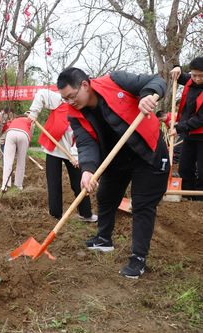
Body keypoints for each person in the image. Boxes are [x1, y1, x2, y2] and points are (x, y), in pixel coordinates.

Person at [57, 67, 169, 279]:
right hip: (115, 158)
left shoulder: (115, 81)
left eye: (72, 96)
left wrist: (147, 95)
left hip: (146, 152)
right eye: (65, 99)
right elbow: (85, 141)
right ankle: (103, 239)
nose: (70, 102)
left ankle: (138, 257)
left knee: (142, 204)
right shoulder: (75, 113)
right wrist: (88, 170)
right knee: (105, 196)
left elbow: (157, 81)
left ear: (85, 85)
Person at [27, 89, 97, 222]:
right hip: (54, 149)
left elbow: (84, 140)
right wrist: (34, 112)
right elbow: (42, 93)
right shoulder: (61, 100)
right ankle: (55, 216)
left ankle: (85, 214)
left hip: (73, 152)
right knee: (54, 183)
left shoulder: (87, 115)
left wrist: (77, 158)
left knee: (79, 182)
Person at [169, 57, 203, 200]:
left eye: (201, 76)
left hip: (201, 134)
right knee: (184, 167)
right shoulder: (191, 80)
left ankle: (199, 199)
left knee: (202, 170)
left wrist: (179, 127)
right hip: (189, 134)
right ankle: (187, 196)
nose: (196, 79)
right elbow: (179, 75)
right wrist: (177, 67)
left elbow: (201, 119)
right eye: (194, 75)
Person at [1, 113, 35, 191]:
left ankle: (4, 185)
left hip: (11, 133)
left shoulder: (16, 119)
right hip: (24, 134)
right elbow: (31, 133)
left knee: (8, 161)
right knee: (21, 161)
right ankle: (19, 185)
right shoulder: (31, 120)